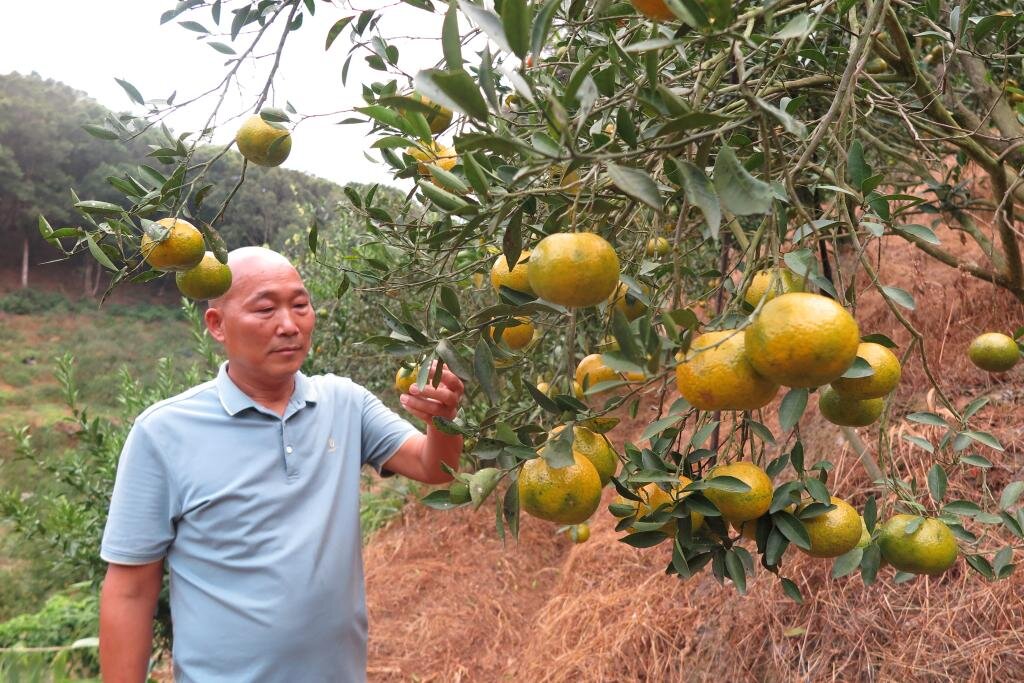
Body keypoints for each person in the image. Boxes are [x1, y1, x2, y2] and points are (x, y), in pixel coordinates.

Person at [98, 247, 464, 682]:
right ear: (216, 324)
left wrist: (443, 419)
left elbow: (435, 469)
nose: (289, 325)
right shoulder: (164, 432)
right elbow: (130, 590)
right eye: (266, 309)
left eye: (300, 305)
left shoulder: (345, 404)